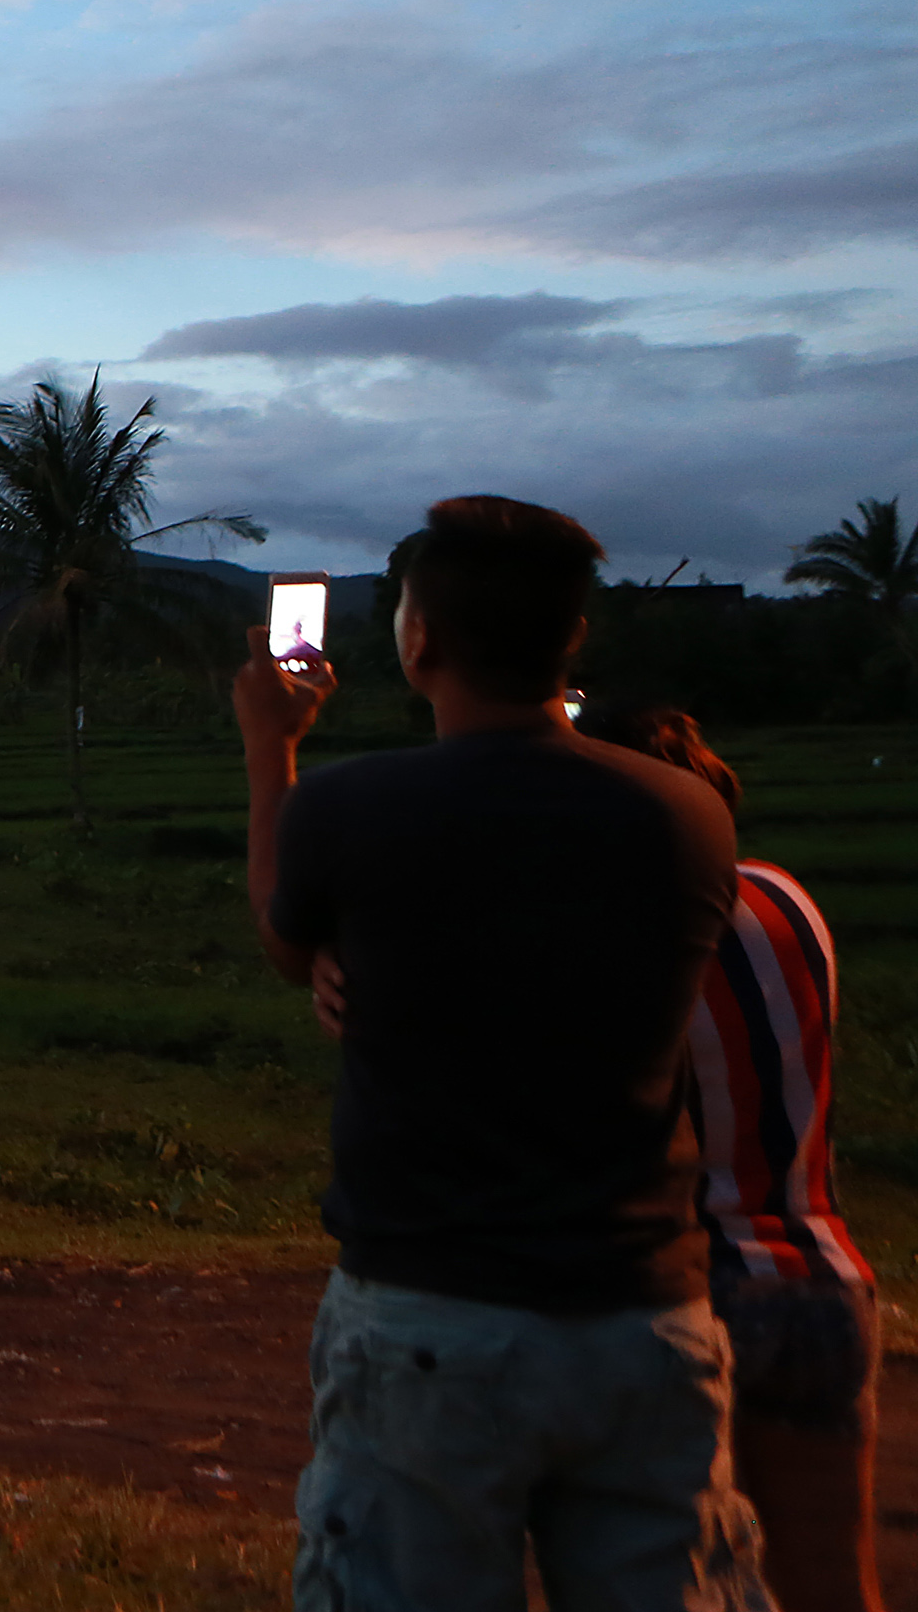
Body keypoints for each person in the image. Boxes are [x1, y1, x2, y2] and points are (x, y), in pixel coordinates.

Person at [240, 495, 766, 1611]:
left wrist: (269, 749)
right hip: (645, 1319)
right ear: (573, 636)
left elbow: (291, 947)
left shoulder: (351, 804)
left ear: (417, 639)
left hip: (432, 1310)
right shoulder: (689, 815)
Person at [618, 709, 885, 1612]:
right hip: (823, 1278)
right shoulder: (788, 896)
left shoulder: (630, 921)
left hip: (696, 1290)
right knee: (835, 1585)